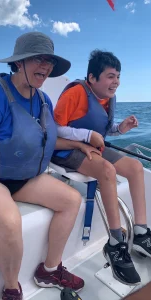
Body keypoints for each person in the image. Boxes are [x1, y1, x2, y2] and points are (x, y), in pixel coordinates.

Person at [0, 32, 87, 300]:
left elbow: (44, 141)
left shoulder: (43, 101)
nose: (46, 66)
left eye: (49, 61)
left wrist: (78, 145)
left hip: (26, 177)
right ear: (19, 63)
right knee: (8, 220)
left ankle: (49, 270)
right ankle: (11, 288)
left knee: (72, 200)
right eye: (38, 59)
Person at [52, 50, 151, 286]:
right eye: (110, 76)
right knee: (107, 171)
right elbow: (55, 128)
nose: (115, 81)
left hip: (94, 148)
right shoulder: (76, 93)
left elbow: (102, 130)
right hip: (67, 150)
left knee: (136, 167)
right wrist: (87, 135)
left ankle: (141, 233)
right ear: (92, 78)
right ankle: (116, 244)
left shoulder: (107, 98)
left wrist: (121, 128)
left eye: (117, 76)